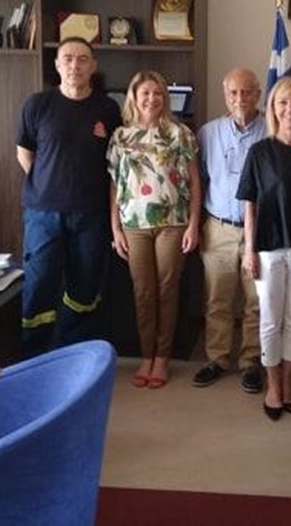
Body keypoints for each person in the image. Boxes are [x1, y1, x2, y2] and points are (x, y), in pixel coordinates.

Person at [15, 37, 121, 356]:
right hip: (43, 215)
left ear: (93, 66)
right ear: (58, 65)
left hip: (91, 215)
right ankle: (34, 356)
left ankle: (74, 355)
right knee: (39, 283)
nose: (75, 65)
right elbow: (24, 153)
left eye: (83, 59)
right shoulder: (37, 105)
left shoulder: (108, 108)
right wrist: (50, 184)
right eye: (68, 59)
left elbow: (116, 162)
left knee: (85, 288)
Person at [237, 77, 291, 420]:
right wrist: (249, 249)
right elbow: (249, 204)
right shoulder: (259, 152)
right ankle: (273, 386)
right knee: (270, 320)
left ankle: (288, 383)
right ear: (273, 108)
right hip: (269, 246)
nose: (290, 109)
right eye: (283, 102)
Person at [108, 70, 201, 389]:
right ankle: (146, 355)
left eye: (158, 93)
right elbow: (114, 184)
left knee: (167, 290)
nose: (152, 98)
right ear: (134, 97)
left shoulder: (179, 133)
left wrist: (193, 224)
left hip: (172, 223)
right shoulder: (121, 136)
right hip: (133, 225)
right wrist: (115, 228)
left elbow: (195, 182)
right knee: (143, 293)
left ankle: (162, 357)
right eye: (145, 93)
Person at [192, 68, 267, 393]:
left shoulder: (272, 130)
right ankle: (218, 358)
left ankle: (251, 362)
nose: (240, 99)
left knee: (256, 301)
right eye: (234, 93)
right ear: (225, 95)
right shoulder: (207, 133)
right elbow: (198, 181)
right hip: (218, 227)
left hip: (261, 232)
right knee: (217, 299)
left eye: (247, 92)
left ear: (258, 94)